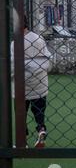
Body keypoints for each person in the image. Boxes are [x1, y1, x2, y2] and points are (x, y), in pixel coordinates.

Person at [11, 16, 52, 148]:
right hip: (39, 83)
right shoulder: (38, 39)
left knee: (21, 114)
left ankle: (22, 140)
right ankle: (41, 129)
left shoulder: (15, 43)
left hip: (21, 86)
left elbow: (13, 65)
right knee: (39, 111)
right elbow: (47, 59)